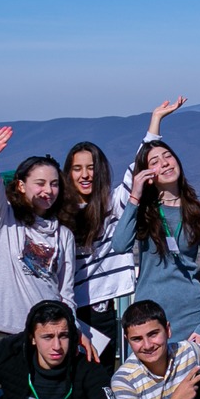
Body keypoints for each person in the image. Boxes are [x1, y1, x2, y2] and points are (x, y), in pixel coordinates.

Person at [110, 136, 200, 344]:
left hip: (191, 318)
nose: (164, 163)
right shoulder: (143, 212)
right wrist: (135, 196)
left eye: (168, 156)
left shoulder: (199, 213)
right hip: (149, 320)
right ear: (148, 174)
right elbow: (120, 244)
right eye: (154, 162)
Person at [0, 126, 76, 340]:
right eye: (40, 183)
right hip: (3, 329)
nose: (48, 190)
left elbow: (65, 291)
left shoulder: (64, 235)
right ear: (21, 185)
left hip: (47, 333)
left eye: (54, 184)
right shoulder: (4, 219)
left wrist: (71, 330)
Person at [60, 139, 132, 346]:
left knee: (101, 375)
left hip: (100, 311)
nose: (85, 175)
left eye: (91, 168)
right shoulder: (56, 213)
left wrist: (155, 125)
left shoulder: (111, 206)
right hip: (64, 310)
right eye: (77, 169)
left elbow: (135, 171)